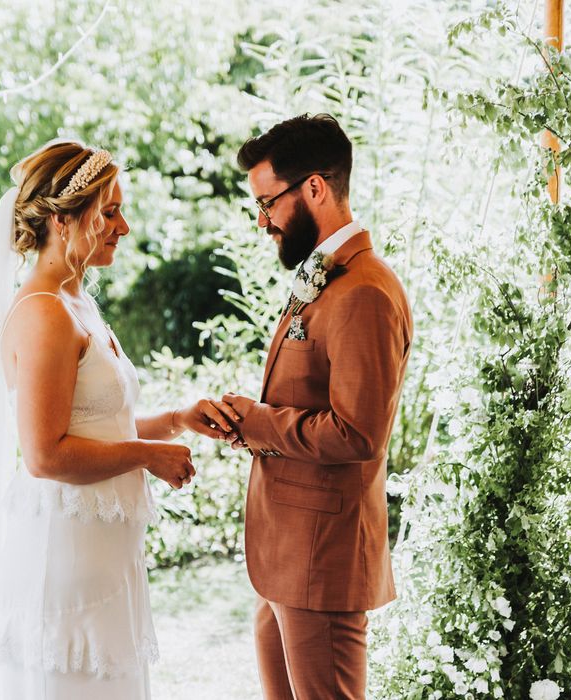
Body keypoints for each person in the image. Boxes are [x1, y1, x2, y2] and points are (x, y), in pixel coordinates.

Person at [0, 139, 235, 700]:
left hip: (104, 557)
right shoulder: (43, 314)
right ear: (63, 220)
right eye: (108, 212)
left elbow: (100, 423)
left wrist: (178, 419)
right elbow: (45, 454)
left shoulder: (75, 300)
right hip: (65, 563)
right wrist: (147, 456)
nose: (123, 226)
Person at [215, 114, 413, 699]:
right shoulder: (329, 279)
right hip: (289, 554)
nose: (263, 220)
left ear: (315, 189)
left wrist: (259, 421)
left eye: (268, 202)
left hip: (322, 559)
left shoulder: (365, 292)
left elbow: (358, 434)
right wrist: (247, 423)